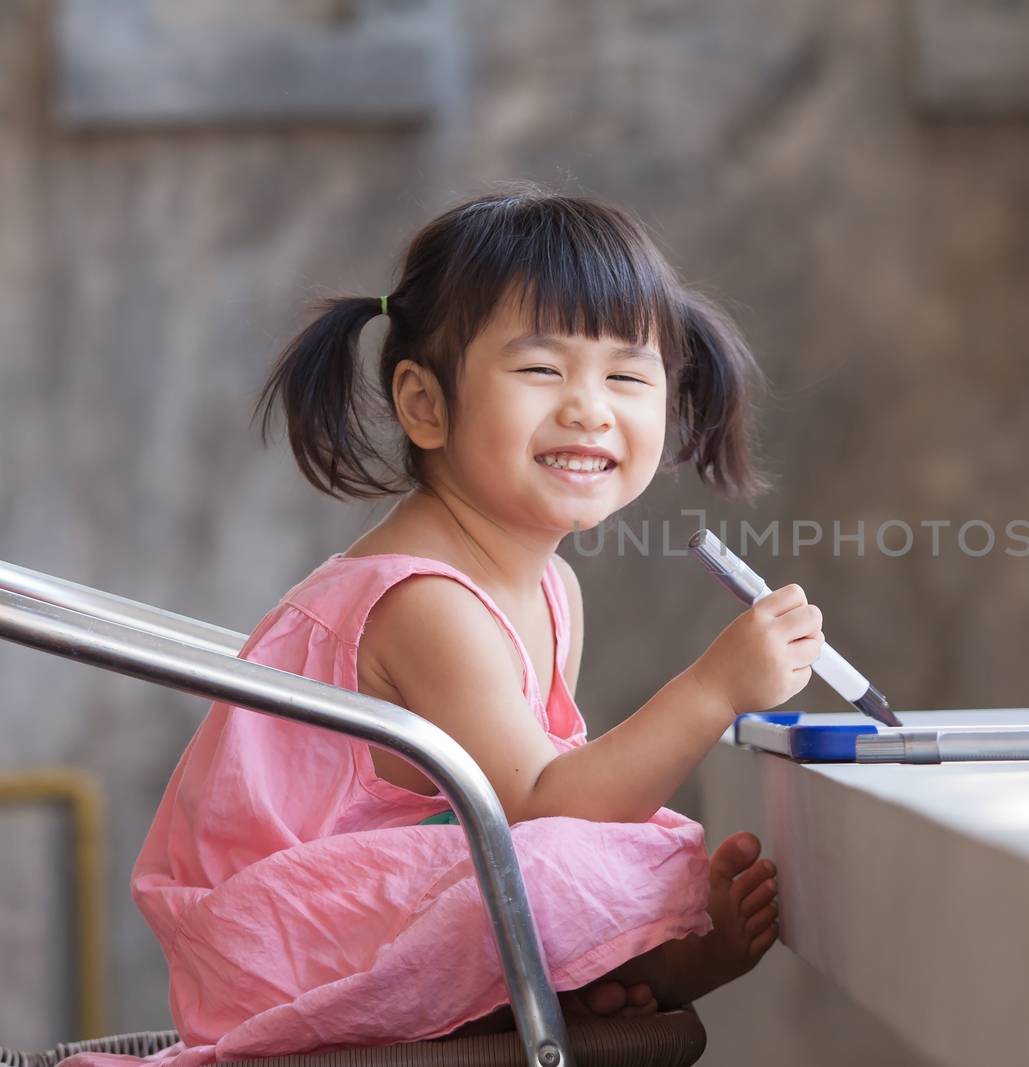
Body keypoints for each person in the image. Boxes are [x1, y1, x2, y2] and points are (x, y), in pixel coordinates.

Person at [125, 186, 820, 1065]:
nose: (589, 408)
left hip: (342, 915)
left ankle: (604, 974)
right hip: (273, 944)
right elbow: (537, 805)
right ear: (425, 405)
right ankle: (614, 974)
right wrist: (716, 687)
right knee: (567, 857)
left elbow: (557, 805)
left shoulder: (552, 586)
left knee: (616, 848)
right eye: (541, 369)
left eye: (628, 376)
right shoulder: (429, 605)